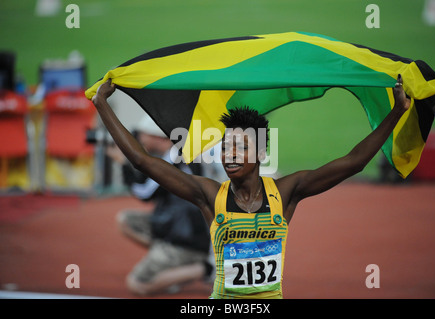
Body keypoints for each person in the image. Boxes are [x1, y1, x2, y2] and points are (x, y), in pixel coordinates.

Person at [92, 74, 410, 299]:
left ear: (260, 153)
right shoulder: (208, 195)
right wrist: (103, 105)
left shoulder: (286, 192)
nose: (229, 154)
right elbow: (144, 161)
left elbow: (353, 162)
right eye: (226, 146)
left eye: (240, 148)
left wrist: (396, 112)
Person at [106, 116, 214, 295]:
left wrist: (124, 164)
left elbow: (144, 193)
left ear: (160, 137)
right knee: (125, 220)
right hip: (180, 227)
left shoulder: (175, 158)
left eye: (142, 134)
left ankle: (206, 268)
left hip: (187, 238)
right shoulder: (177, 154)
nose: (138, 138)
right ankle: (170, 265)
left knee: (137, 284)